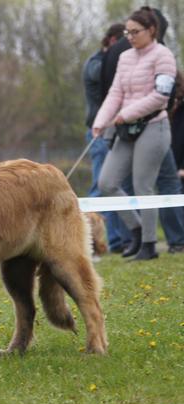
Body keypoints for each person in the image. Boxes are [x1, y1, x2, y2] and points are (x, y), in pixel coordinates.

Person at [93, 6, 177, 261]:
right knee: (107, 182)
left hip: (154, 126)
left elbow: (160, 96)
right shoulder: (125, 57)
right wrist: (101, 121)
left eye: (135, 32)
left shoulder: (164, 56)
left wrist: (126, 114)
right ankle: (138, 229)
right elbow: (115, 93)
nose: (130, 37)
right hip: (126, 128)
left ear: (151, 30)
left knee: (143, 185)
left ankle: (149, 245)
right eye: (127, 32)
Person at [83, 23, 126, 254]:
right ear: (111, 40)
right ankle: (89, 242)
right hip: (98, 132)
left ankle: (116, 240)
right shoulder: (96, 63)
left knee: (114, 186)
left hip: (114, 131)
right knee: (99, 187)